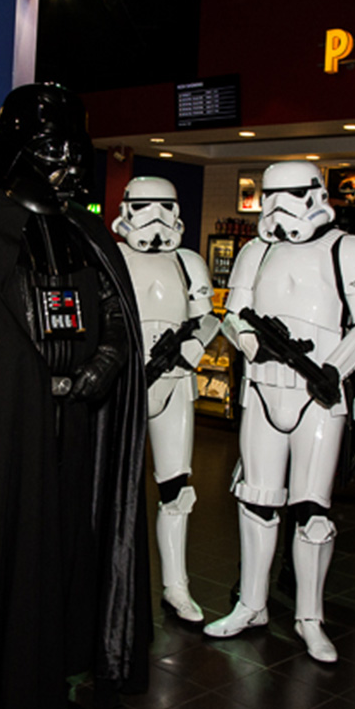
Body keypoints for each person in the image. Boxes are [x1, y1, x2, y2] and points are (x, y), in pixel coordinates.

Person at [0, 83, 149, 709]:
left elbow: (115, 320)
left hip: (74, 428)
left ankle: (41, 682)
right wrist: (25, 385)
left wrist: (104, 364)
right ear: (19, 149)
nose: (71, 162)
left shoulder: (86, 232)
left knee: (60, 558)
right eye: (54, 147)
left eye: (76, 146)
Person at [204, 161, 355, 663]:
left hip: (319, 397)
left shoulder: (348, 249)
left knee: (312, 510)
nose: (279, 208)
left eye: (290, 196)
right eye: (271, 197)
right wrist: (248, 344)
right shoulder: (253, 251)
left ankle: (310, 616)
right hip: (263, 391)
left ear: (314, 194)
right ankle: (251, 603)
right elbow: (234, 313)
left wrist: (333, 370)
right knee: (257, 502)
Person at [113, 176, 220, 622]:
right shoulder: (112, 256)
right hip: (123, 380)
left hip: (175, 382)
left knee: (177, 488)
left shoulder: (188, 261)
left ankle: (176, 585)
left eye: (164, 206)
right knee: (113, 486)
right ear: (128, 208)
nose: (155, 217)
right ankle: (110, 584)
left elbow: (207, 319)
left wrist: (185, 357)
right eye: (145, 206)